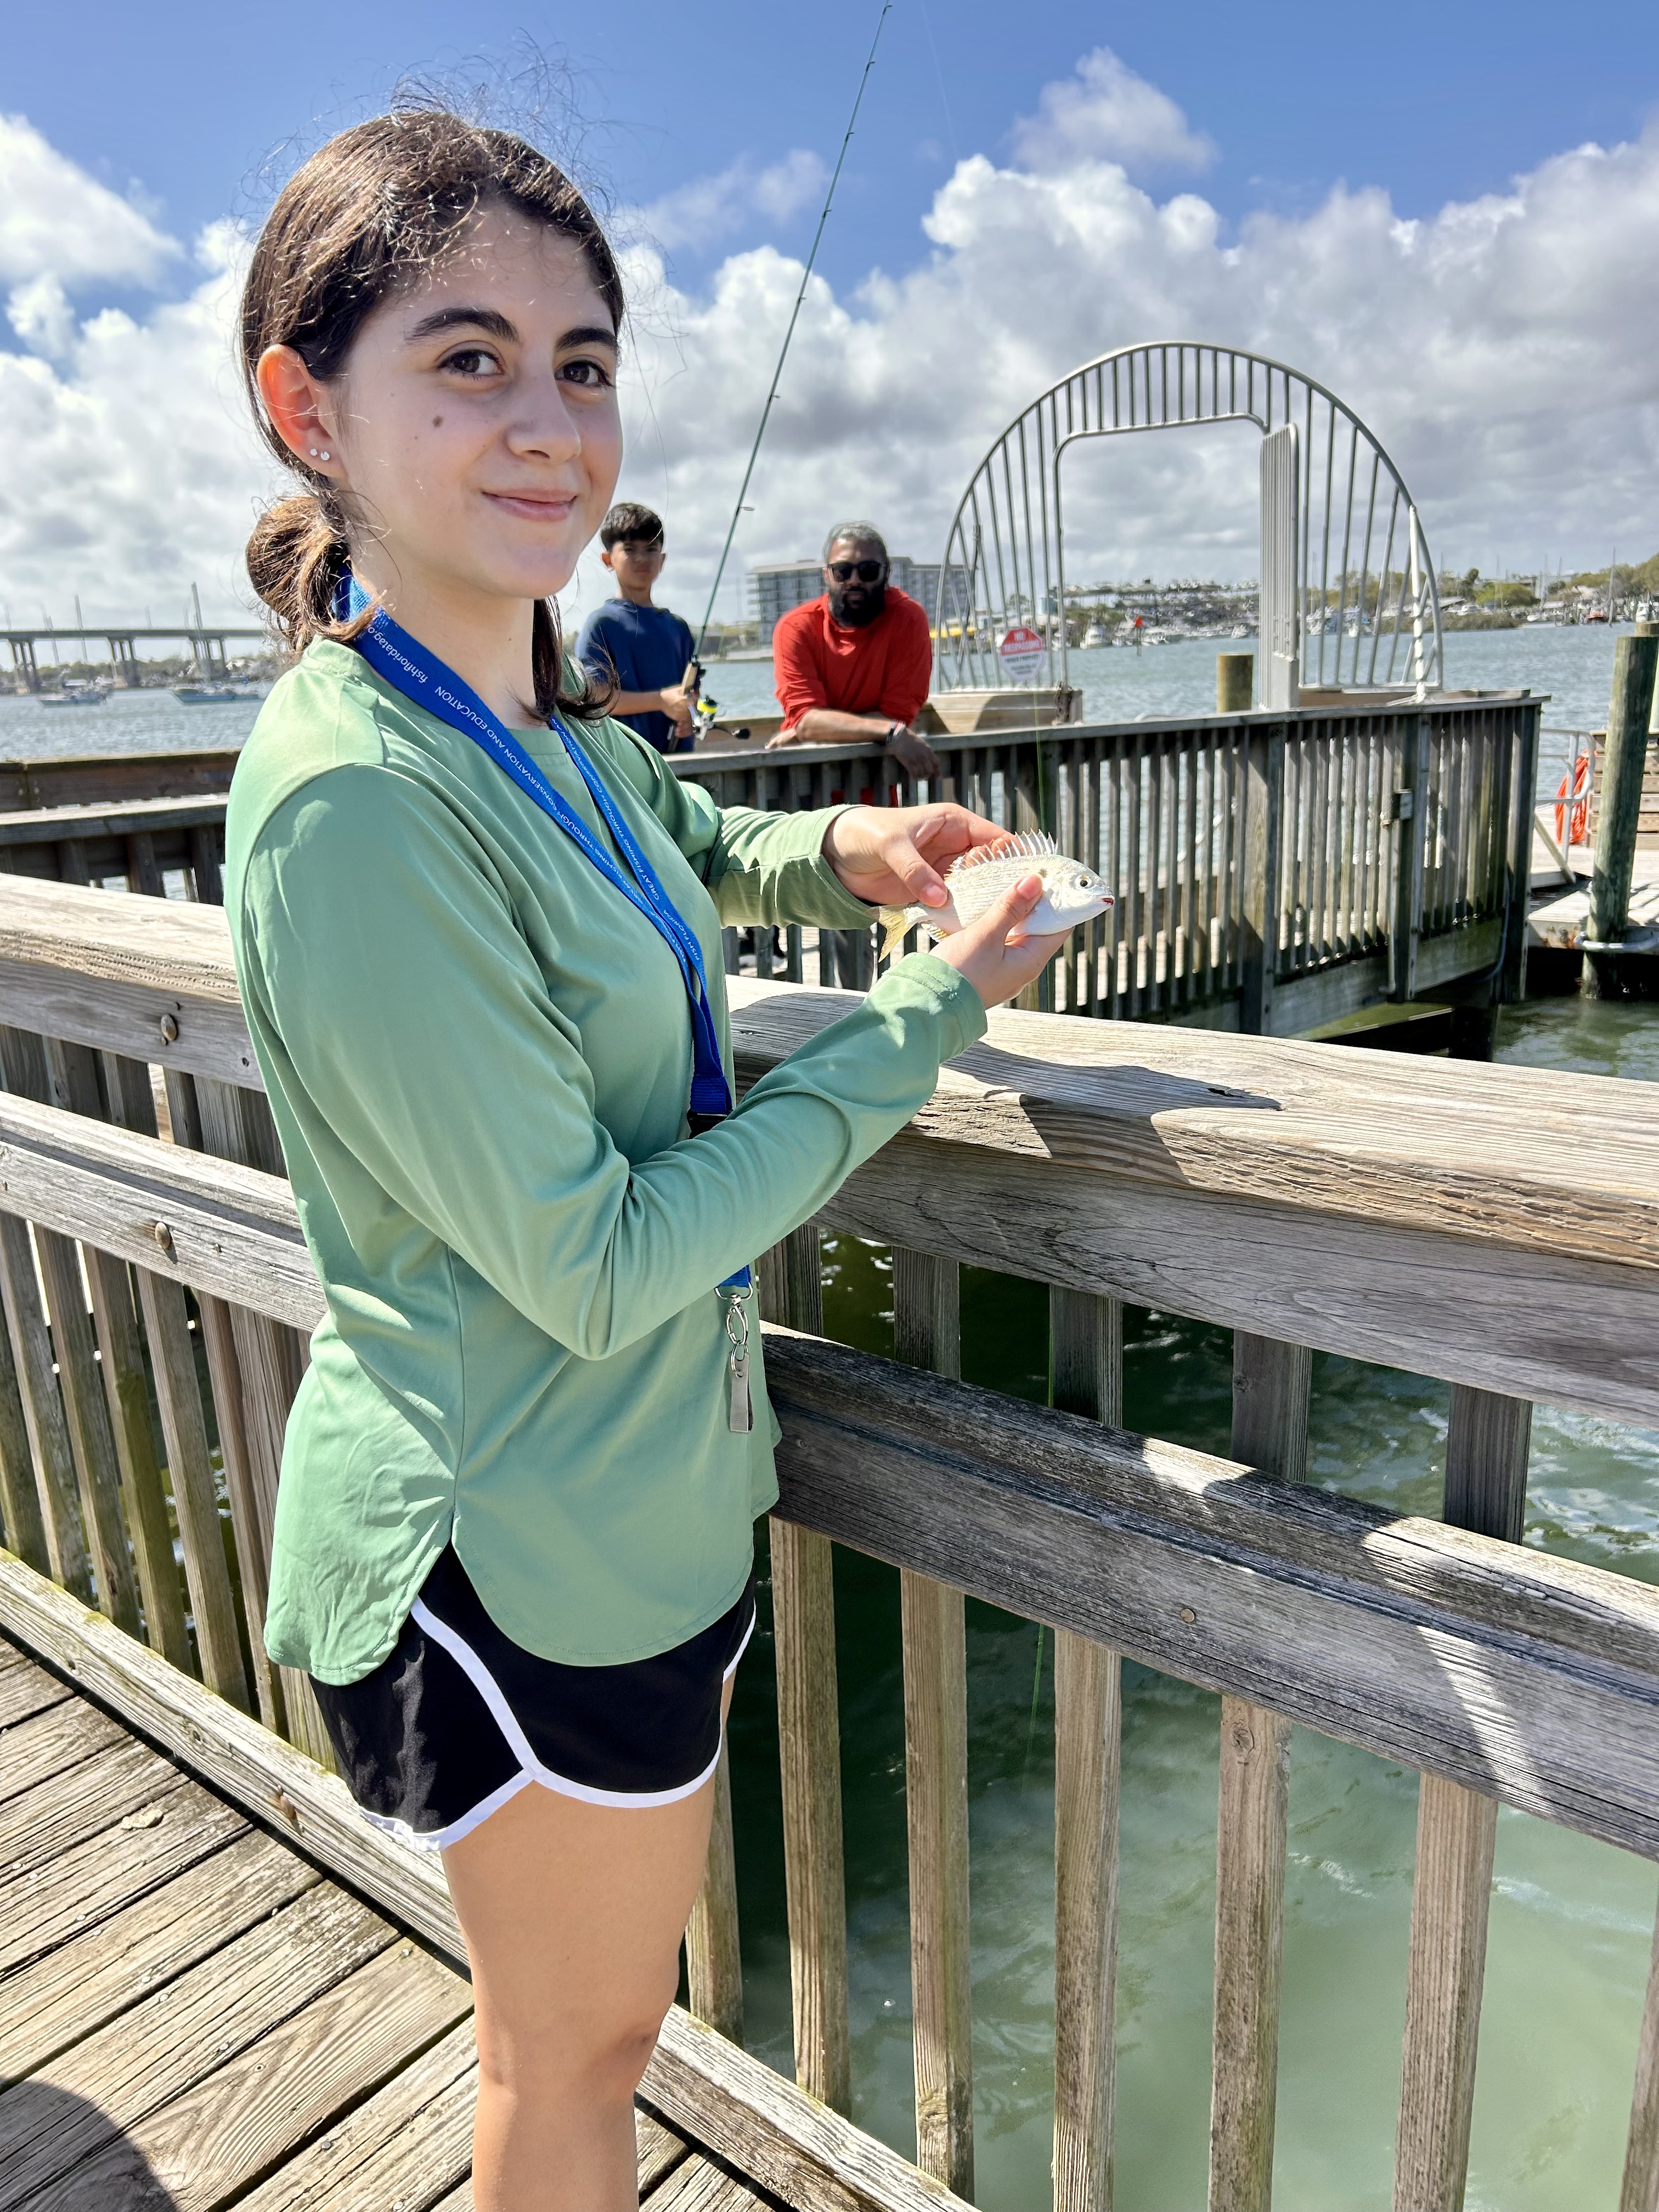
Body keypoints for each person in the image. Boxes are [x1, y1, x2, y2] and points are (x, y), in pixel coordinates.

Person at [228, 106, 1064, 2212]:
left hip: (636, 1501)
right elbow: (593, 1263)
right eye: (469, 357)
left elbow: (678, 834)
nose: (547, 422)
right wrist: (923, 1013)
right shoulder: (357, 800)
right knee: (578, 2049)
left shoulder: (537, 705)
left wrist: (850, 842)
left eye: (580, 363)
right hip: (510, 1538)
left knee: (582, 2027)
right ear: (304, 409)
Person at [768, 522, 943, 777]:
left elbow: (896, 714)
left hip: (873, 788)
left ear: (886, 573)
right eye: (842, 571)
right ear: (826, 574)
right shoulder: (795, 627)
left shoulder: (908, 620)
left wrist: (817, 729)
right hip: (802, 786)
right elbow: (807, 720)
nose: (855, 581)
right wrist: (891, 732)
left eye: (868, 571)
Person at [574, 502, 697, 754]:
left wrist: (687, 713)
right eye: (630, 550)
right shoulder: (601, 624)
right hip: (626, 765)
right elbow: (596, 696)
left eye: (651, 549)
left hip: (680, 762)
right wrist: (661, 701)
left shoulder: (679, 628)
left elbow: (692, 691)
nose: (642, 558)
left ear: (662, 560)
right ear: (608, 560)